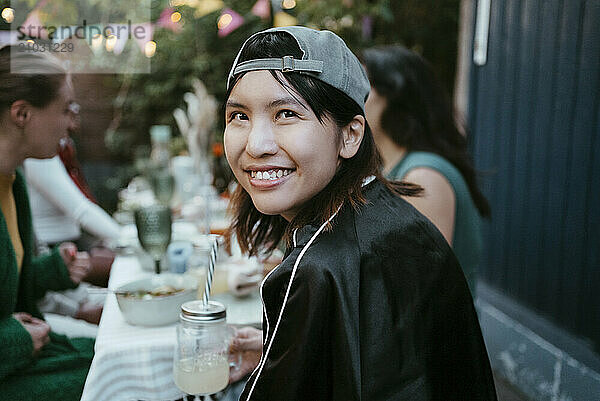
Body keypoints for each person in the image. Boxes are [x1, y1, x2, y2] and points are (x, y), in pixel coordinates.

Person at [224, 26, 497, 400]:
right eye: (239, 116)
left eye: (286, 113)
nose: (256, 144)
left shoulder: (315, 265)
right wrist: (281, 350)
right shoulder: (388, 212)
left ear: (350, 135)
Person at [0, 45, 94, 400]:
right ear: (22, 114)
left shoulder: (14, 182)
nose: (72, 122)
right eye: (65, 108)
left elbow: (11, 292)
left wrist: (53, 270)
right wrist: (14, 340)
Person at [362, 45, 491, 296]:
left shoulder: (423, 176)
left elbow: (417, 286)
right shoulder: (388, 166)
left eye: (363, 86)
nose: (352, 95)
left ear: (393, 96)